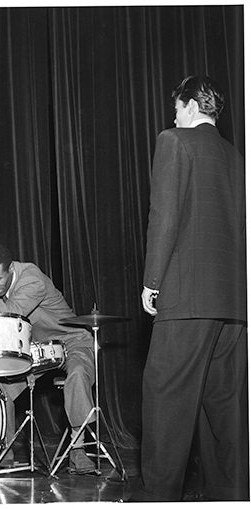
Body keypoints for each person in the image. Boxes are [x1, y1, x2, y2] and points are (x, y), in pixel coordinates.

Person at [131, 76, 248, 501]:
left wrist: (152, 282)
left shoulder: (174, 141)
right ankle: (232, 497)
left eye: (178, 107)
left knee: (165, 398)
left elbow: (164, 215)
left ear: (193, 106)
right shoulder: (237, 158)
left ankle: (158, 498)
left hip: (187, 295)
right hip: (234, 302)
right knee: (226, 411)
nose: (174, 115)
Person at [0, 243, 97, 473]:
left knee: (77, 375)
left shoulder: (32, 278)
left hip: (71, 342)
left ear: (11, 269)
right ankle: (3, 453)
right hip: (35, 350)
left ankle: (78, 450)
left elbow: (12, 311)